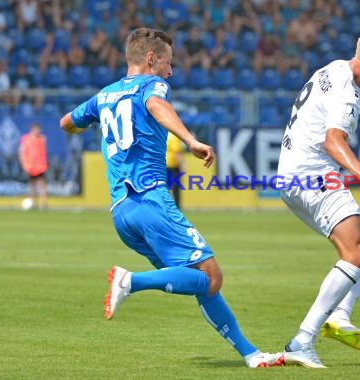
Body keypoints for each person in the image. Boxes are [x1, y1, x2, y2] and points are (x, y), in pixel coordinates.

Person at [59, 27, 284, 369]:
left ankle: (251, 355)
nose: (170, 71)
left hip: (122, 212)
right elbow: (157, 105)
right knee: (211, 277)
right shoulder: (152, 85)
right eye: (168, 63)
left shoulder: (103, 95)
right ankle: (129, 281)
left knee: (198, 280)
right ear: (151, 59)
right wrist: (190, 140)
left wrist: (85, 125)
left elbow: (66, 123)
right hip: (150, 199)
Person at [276, 24, 360, 368]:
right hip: (310, 175)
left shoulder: (334, 68)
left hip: (294, 174)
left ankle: (341, 315)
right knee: (356, 251)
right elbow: (332, 140)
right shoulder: (348, 91)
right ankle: (302, 339)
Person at [19, 123, 48, 210]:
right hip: (31, 166)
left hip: (40, 166)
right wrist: (24, 164)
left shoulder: (41, 139)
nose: (37, 131)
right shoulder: (26, 139)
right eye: (36, 129)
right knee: (32, 185)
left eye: (38, 129)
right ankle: (33, 202)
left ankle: (44, 203)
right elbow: (22, 152)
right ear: (31, 130)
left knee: (41, 184)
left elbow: (43, 152)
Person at [166, 132, 183, 207]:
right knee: (176, 187)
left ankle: (165, 205)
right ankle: (177, 206)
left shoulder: (162, 134)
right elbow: (177, 152)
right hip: (173, 166)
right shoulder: (174, 136)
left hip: (162, 164)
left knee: (163, 187)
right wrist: (181, 164)